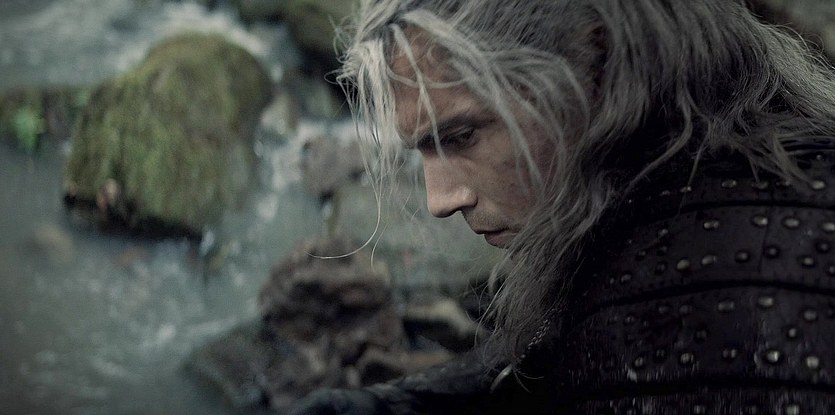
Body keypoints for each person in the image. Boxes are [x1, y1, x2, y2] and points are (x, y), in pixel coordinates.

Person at [291, 0, 835, 413]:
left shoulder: (691, 300)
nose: (439, 200)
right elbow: (557, 357)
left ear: (594, 62)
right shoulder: (685, 198)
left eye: (461, 136)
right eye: (422, 150)